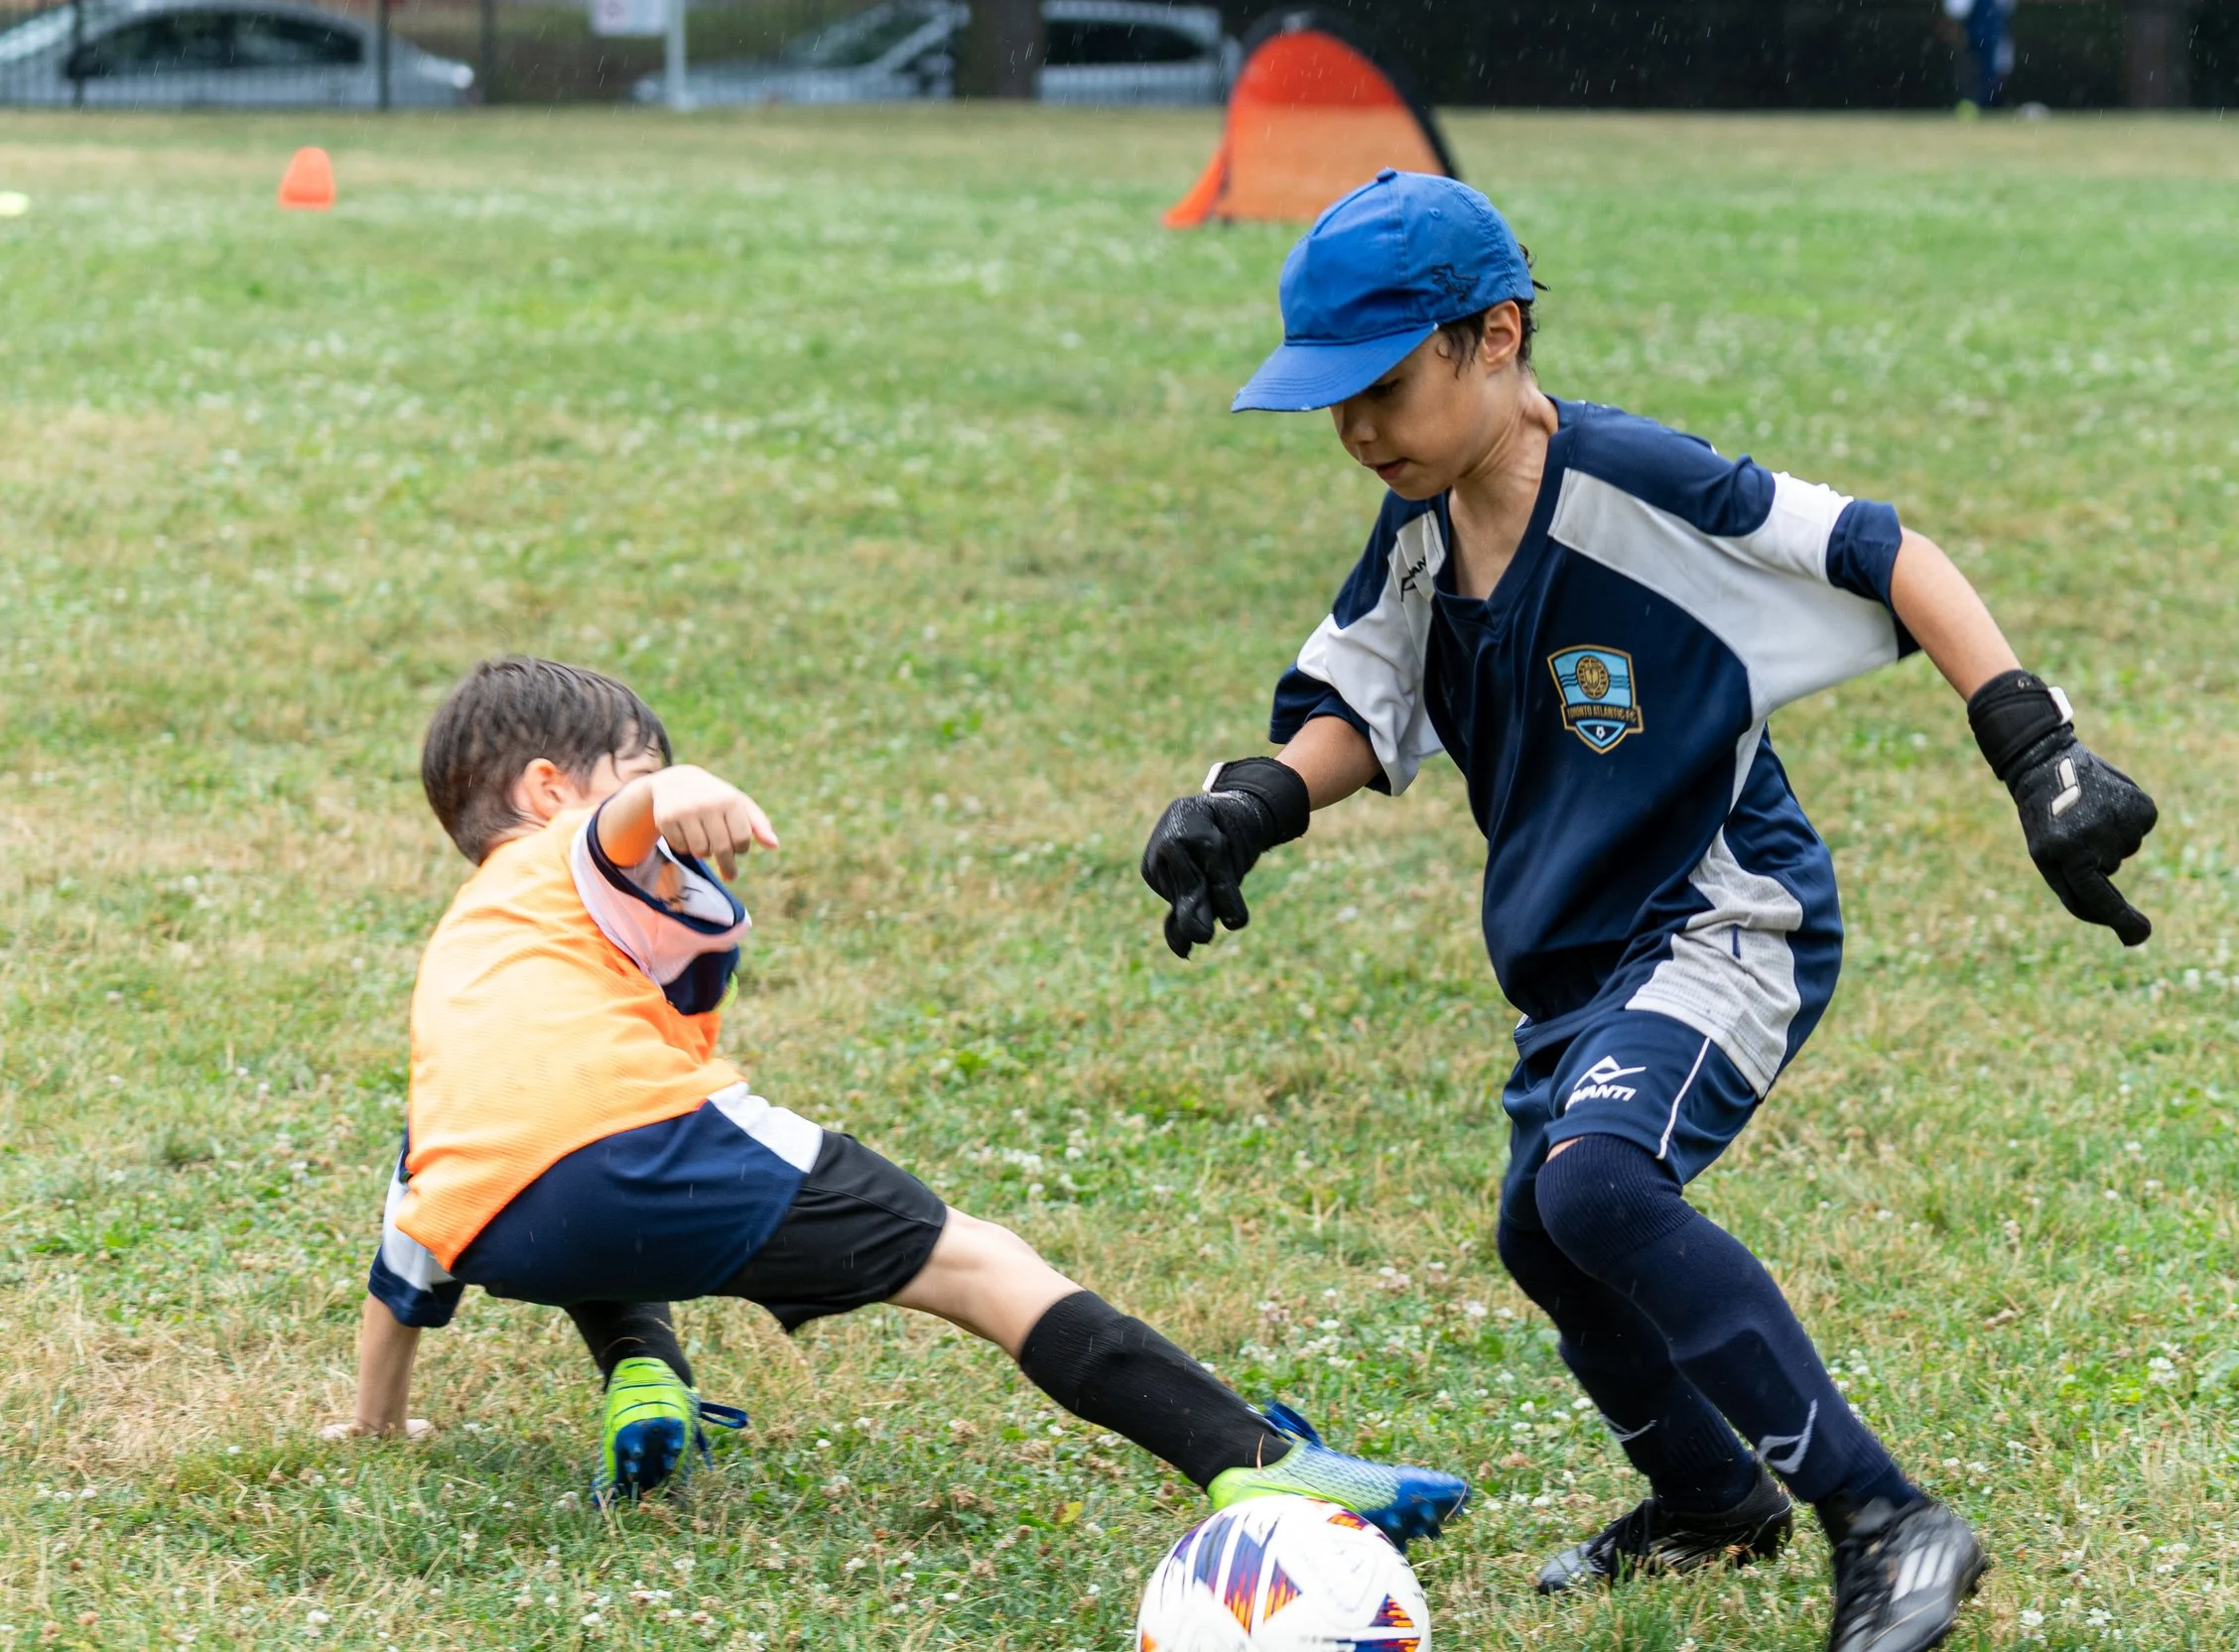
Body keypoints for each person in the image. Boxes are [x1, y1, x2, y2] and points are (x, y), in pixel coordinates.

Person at [1138, 171, 2156, 1652]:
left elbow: (1889, 553)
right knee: (1545, 1233)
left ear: (1495, 337)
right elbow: (1364, 692)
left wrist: (2036, 751)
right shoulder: (1419, 526)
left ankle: (1888, 1517)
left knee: (1598, 1187)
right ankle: (1708, 1496)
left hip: (1719, 916)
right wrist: (1251, 805)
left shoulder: (1637, 486)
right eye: (1330, 404)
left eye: (1382, 385)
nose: (1357, 429)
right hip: (1574, 959)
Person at [332, 654, 1469, 1546]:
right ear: (546, 791)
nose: (644, 793)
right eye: (630, 765)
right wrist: (670, 792)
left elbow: (409, 1234)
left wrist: (376, 1419)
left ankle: (645, 1374)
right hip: (650, 1144)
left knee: (583, 1197)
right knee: (979, 1262)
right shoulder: (562, 854)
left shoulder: (465, 970)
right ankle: (1254, 1458)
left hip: (498, 1222)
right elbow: (610, 833)